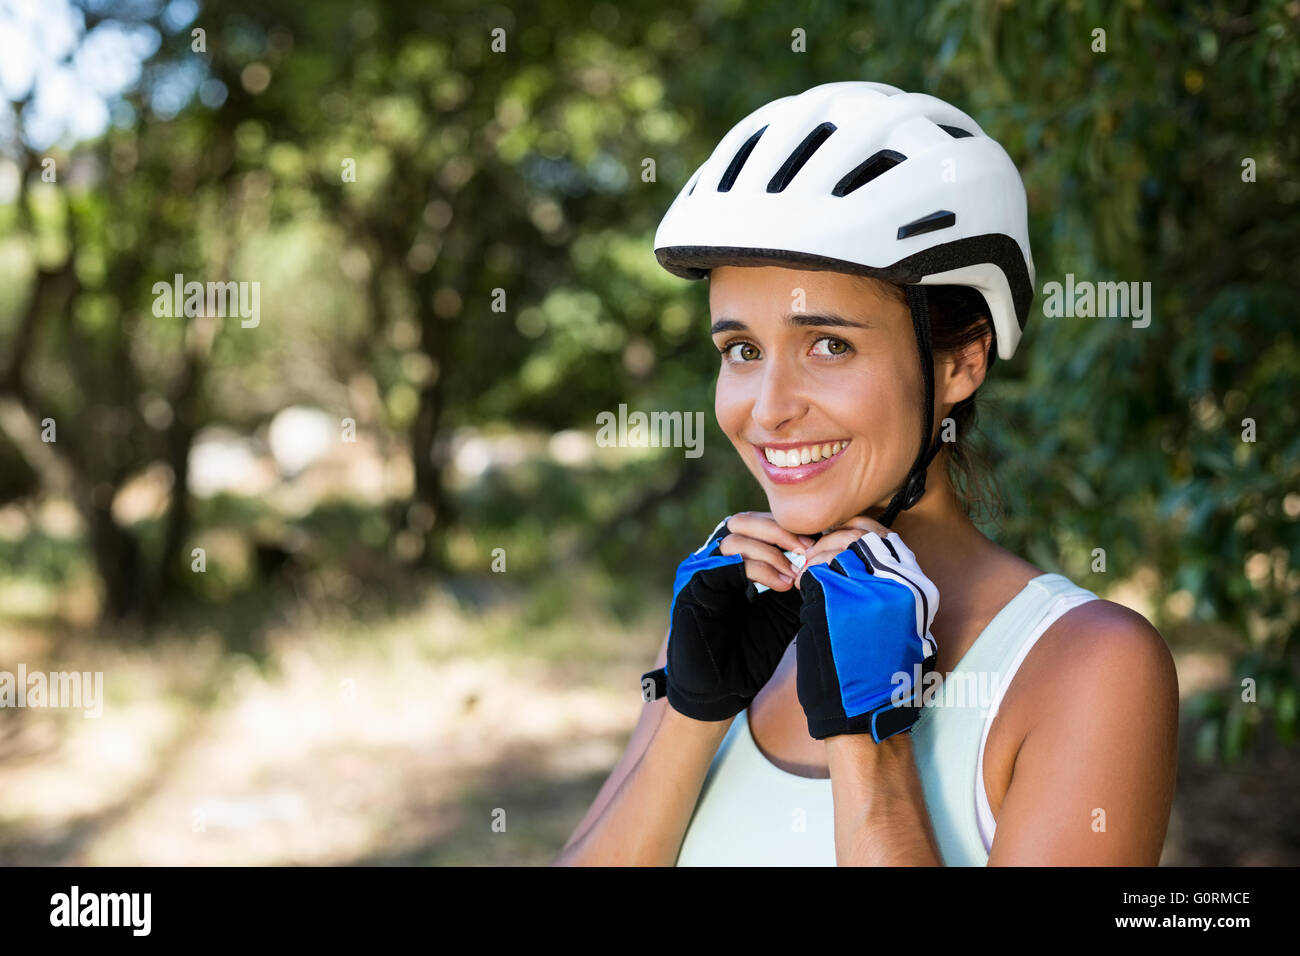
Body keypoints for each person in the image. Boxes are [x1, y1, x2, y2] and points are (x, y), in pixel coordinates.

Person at [553, 81, 1178, 866]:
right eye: (742, 351)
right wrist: (692, 708)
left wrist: (869, 742)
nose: (768, 410)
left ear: (960, 362)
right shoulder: (731, 621)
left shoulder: (1089, 668)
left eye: (828, 345)